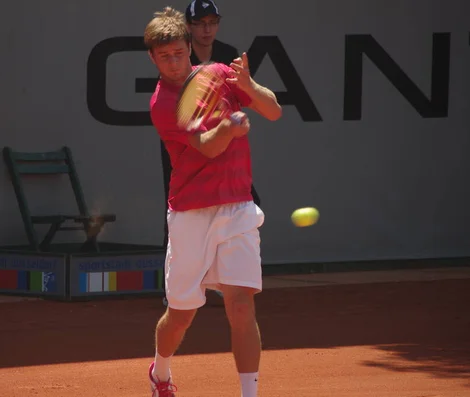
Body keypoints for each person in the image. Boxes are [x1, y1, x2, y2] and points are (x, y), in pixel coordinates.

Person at [144, 7, 282, 397]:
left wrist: (250, 86)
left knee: (241, 306)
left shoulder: (220, 74)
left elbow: (273, 110)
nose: (173, 63)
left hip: (237, 205)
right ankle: (161, 372)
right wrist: (229, 126)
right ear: (152, 58)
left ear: (189, 47)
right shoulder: (161, 103)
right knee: (181, 315)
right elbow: (206, 147)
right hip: (190, 214)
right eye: (164, 56)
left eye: (178, 53)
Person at [160, 0, 260, 304]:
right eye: (200, 23)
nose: (207, 30)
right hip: (187, 143)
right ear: (189, 27)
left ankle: (228, 281)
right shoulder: (182, 55)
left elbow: (242, 93)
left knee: (249, 201)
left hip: (225, 146)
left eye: (212, 22)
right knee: (181, 208)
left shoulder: (229, 54)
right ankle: (176, 289)